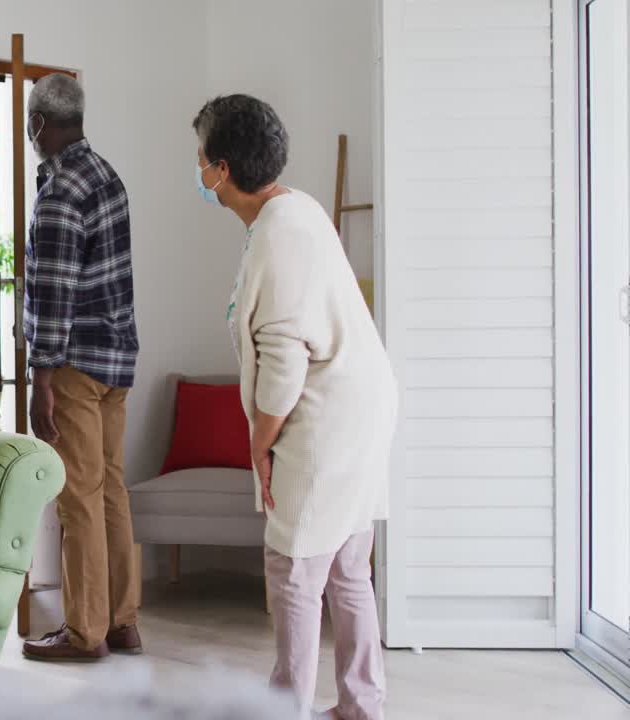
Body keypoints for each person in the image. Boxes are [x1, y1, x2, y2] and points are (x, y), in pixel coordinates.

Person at [192, 94, 396, 719]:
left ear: (222, 168)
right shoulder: (295, 209)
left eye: (200, 156)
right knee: (347, 566)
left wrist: (260, 439)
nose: (197, 168)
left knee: (295, 570)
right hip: (360, 404)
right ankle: (362, 707)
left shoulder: (277, 235)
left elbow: (284, 357)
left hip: (325, 417)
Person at [19, 74, 140, 662]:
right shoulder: (106, 175)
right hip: (117, 360)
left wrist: (41, 379)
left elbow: (54, 291)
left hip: (74, 365)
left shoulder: (62, 189)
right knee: (111, 490)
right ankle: (122, 622)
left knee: (78, 497)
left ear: (39, 124)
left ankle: (84, 631)